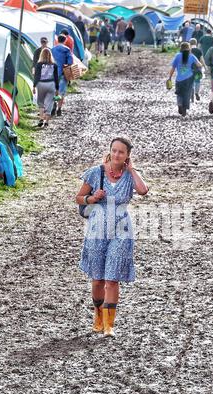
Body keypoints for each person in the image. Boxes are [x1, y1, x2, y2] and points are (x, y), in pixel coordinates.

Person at [76, 137, 149, 337]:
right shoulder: (96, 172)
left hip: (122, 230)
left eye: (121, 152)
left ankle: (109, 325)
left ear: (127, 156)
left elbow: (143, 190)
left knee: (112, 278)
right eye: (114, 150)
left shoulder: (129, 175)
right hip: (96, 230)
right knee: (98, 278)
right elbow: (78, 198)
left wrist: (132, 169)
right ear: (110, 151)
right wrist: (91, 198)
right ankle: (98, 318)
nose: (117, 154)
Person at [168, 42, 202, 117]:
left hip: (179, 79)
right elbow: (199, 65)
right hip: (189, 78)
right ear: (189, 48)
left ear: (181, 48)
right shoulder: (192, 56)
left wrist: (169, 77)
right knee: (187, 94)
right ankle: (184, 110)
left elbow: (173, 68)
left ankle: (179, 104)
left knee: (179, 93)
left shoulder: (177, 56)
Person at [33, 48, 59, 129]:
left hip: (41, 84)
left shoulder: (39, 64)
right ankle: (46, 122)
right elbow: (56, 78)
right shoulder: (54, 65)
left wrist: (34, 86)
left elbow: (36, 76)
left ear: (41, 55)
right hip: (51, 84)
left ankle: (41, 118)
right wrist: (57, 89)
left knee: (40, 102)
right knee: (49, 103)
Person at [52, 34, 73, 116]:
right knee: (62, 91)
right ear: (65, 41)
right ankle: (59, 109)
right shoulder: (67, 50)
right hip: (63, 73)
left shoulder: (53, 49)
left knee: (54, 90)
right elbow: (70, 62)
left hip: (53, 73)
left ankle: (53, 105)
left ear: (58, 40)